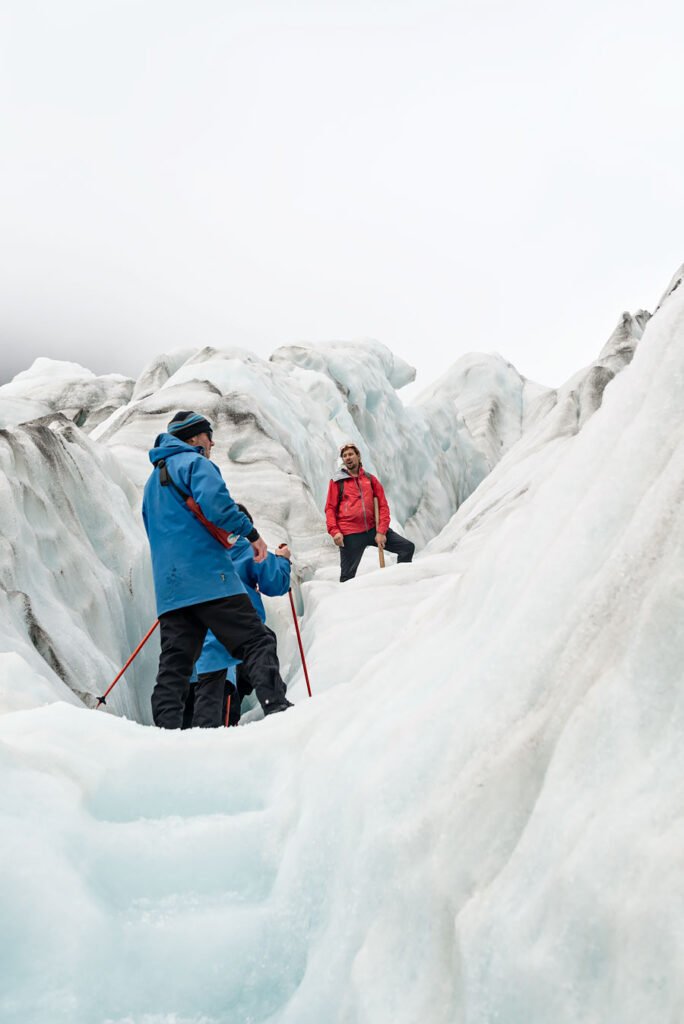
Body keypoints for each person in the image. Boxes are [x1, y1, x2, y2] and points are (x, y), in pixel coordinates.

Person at [142, 410, 292, 728]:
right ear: (196, 437)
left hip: (171, 591)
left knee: (176, 664)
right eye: (209, 436)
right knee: (256, 639)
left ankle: (165, 731)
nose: (212, 443)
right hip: (210, 578)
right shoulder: (196, 463)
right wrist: (251, 534)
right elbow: (217, 505)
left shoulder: (151, 484)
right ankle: (277, 707)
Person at [186, 506, 293, 728]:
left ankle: (201, 737)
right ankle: (275, 704)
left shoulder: (200, 552)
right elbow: (275, 582)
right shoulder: (246, 549)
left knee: (209, 684)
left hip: (205, 637)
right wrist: (283, 560)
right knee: (261, 648)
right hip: (242, 628)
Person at [324, 442, 415, 582]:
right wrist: (334, 531)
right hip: (350, 534)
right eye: (344, 456)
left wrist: (381, 531)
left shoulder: (370, 480)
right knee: (347, 577)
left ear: (358, 456)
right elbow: (330, 508)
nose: (347, 458)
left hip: (373, 529)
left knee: (407, 548)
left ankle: (401, 582)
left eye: (350, 454)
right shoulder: (337, 481)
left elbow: (383, 506)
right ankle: (346, 602)